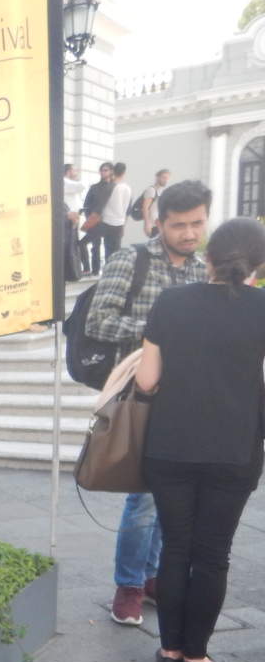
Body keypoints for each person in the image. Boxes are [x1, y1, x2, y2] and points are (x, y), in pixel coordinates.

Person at [136, 217, 265, 662]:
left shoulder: (171, 302)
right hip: (234, 449)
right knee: (212, 554)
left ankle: (168, 653)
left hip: (169, 447)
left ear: (207, 257)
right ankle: (196, 658)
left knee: (175, 546)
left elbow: (146, 380)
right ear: (259, 264)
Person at [85, 180, 211, 625]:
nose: (189, 233)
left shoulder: (203, 271)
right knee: (143, 499)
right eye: (179, 225)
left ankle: (152, 575)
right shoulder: (131, 259)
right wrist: (160, 329)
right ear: (159, 223)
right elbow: (99, 322)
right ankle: (129, 585)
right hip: (140, 400)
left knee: (170, 496)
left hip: (188, 400)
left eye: (197, 223)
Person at [79, 162, 114, 275]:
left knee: (109, 248)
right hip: (95, 222)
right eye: (102, 170)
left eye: (106, 170)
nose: (103, 172)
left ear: (111, 171)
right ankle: (92, 270)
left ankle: (108, 271)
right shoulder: (94, 188)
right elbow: (86, 205)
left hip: (111, 222)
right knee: (94, 246)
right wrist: (90, 218)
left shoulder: (115, 187)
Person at [100, 161, 132, 259]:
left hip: (106, 221)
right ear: (124, 173)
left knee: (107, 249)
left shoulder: (108, 186)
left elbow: (101, 205)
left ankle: (107, 267)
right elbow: (127, 209)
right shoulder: (127, 188)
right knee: (116, 250)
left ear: (113, 171)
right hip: (119, 222)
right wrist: (123, 225)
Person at [63, 163, 86, 281]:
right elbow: (81, 186)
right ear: (68, 171)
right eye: (74, 170)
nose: (76, 172)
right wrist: (76, 179)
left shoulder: (68, 183)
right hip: (70, 219)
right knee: (74, 246)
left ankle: (81, 269)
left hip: (74, 218)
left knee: (77, 245)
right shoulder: (64, 182)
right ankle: (76, 270)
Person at [139, 168, 170, 239]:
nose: (166, 180)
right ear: (157, 177)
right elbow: (145, 208)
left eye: (167, 178)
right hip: (152, 225)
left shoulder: (161, 191)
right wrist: (147, 224)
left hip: (158, 223)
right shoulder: (151, 190)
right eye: (164, 177)